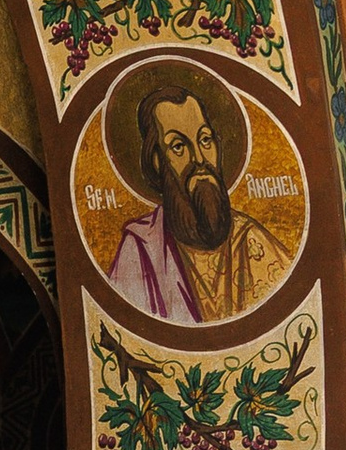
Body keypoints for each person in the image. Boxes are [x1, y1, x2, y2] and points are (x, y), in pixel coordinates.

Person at [105, 72, 291, 331]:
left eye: (204, 140)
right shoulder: (141, 248)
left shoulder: (250, 240)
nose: (199, 159)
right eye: (179, 146)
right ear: (157, 162)